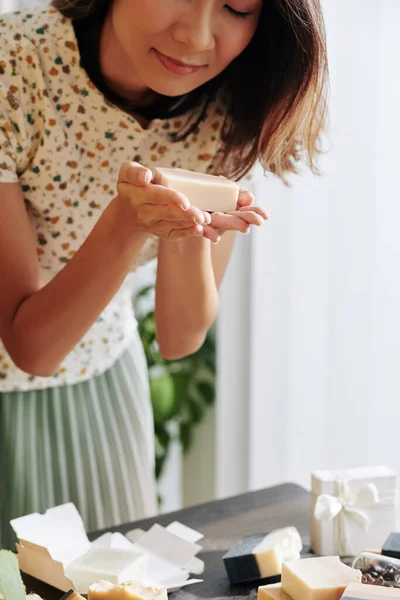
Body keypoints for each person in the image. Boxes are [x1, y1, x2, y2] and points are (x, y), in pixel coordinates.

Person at [0, 0, 328, 549]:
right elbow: (28, 346)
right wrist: (126, 223)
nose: (197, 37)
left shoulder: (234, 104)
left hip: (104, 396)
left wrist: (185, 233)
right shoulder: (15, 62)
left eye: (236, 7)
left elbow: (180, 337)